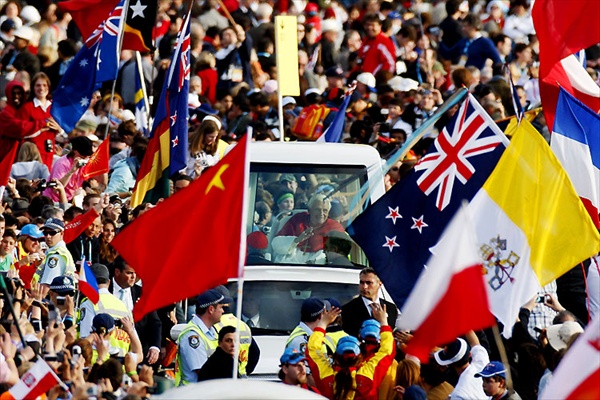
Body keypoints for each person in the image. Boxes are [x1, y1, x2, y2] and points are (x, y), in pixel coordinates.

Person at [307, 302, 395, 399]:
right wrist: (384, 322)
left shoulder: (327, 376)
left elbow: (313, 350)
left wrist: (323, 323)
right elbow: (387, 350)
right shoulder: (367, 374)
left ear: (335, 358)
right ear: (359, 357)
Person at [175, 289, 229, 385]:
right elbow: (203, 371)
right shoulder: (192, 336)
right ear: (211, 309)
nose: (223, 311)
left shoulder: (212, 331)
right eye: (220, 307)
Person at [275, 193, 345, 254]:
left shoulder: (334, 227)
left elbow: (340, 251)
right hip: (293, 262)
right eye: (317, 209)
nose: (321, 213)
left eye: (325, 210)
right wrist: (296, 240)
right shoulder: (298, 220)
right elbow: (276, 244)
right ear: (309, 210)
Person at [78, 263, 132, 338]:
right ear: (109, 282)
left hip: (99, 349)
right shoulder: (123, 305)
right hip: (122, 350)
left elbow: (85, 337)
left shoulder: (89, 303)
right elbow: (133, 336)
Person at [342, 267, 398, 338]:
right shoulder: (348, 309)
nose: (364, 287)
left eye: (369, 283)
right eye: (361, 282)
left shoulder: (391, 308)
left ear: (380, 283)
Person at [18, 72, 57, 170]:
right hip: (32, 152)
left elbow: (63, 133)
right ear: (33, 87)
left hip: (48, 151)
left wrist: (59, 129)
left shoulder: (54, 107)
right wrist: (40, 129)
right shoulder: (27, 107)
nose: (42, 88)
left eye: (44, 85)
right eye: (38, 85)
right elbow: (20, 132)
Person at [433, 331, 489, 400]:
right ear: (470, 354)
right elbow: (474, 343)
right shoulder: (482, 363)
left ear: (450, 364)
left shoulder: (458, 394)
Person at [42, 136, 94, 202]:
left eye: (88, 155)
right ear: (75, 151)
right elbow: (56, 189)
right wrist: (71, 172)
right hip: (54, 200)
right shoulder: (62, 163)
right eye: (83, 155)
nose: (85, 157)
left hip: (70, 199)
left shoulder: (85, 161)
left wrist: (86, 187)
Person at [32, 218, 75, 297]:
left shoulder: (55, 256)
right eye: (45, 233)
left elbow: (45, 288)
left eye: (52, 233)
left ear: (62, 233)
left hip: (49, 301)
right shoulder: (58, 252)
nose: (48, 236)